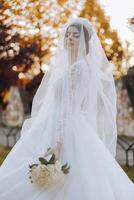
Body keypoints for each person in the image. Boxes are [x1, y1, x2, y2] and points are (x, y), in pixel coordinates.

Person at [0, 17, 134, 200]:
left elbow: (69, 105)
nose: (70, 38)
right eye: (68, 35)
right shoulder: (67, 66)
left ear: (84, 41)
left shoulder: (79, 69)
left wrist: (59, 140)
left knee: (67, 167)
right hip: (56, 121)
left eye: (75, 36)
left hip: (66, 125)